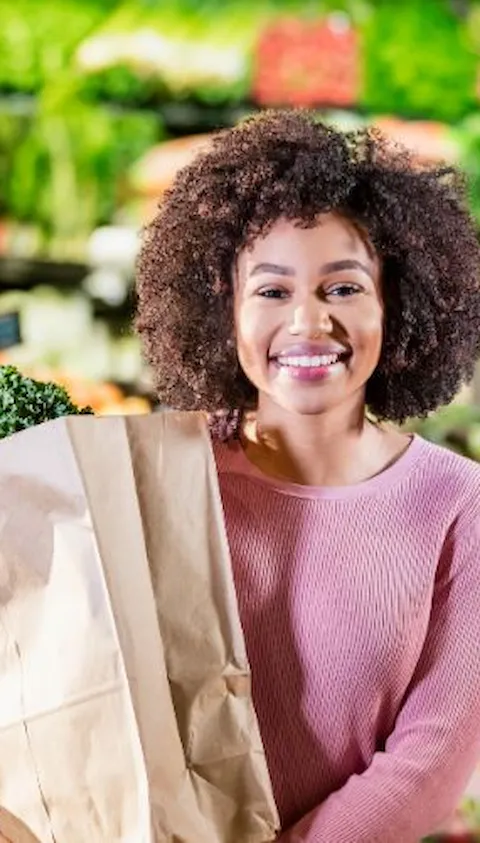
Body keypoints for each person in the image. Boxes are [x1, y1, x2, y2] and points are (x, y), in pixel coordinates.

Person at [136, 109, 480, 843]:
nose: (307, 323)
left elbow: (429, 763)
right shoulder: (160, 476)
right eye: (271, 291)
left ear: (396, 304)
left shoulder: (459, 504)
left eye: (343, 288)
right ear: (222, 310)